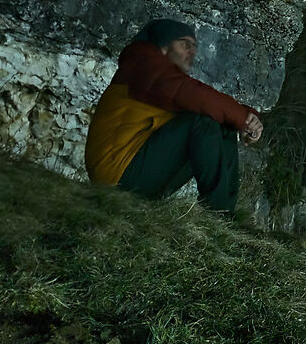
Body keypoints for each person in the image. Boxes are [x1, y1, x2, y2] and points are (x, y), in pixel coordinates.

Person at [85, 18, 265, 213]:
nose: (192, 52)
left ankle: (226, 213)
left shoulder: (159, 76)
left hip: (136, 172)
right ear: (163, 47)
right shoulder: (143, 67)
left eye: (194, 46)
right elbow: (194, 95)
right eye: (184, 44)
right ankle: (218, 210)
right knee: (201, 121)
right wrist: (245, 118)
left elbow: (202, 102)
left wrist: (244, 118)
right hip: (117, 176)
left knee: (223, 123)